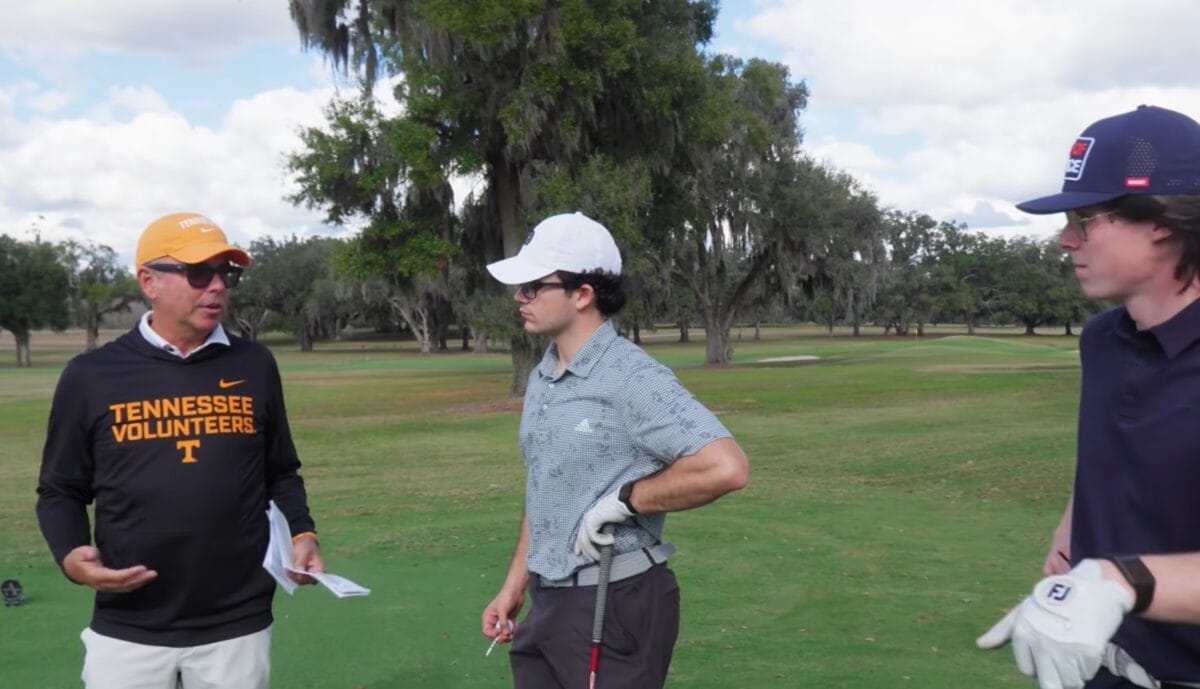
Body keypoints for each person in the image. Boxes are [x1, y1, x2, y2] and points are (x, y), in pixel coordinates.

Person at [35, 212, 324, 689]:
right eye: (198, 274)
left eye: (226, 274)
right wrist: (69, 555)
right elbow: (59, 489)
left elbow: (281, 472)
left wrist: (302, 534)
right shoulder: (91, 376)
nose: (216, 287)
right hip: (131, 623)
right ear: (148, 280)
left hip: (237, 621)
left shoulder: (255, 364)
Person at [977, 105, 1200, 689]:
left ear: (1161, 221)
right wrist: (1071, 533)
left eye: (1085, 219)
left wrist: (1117, 581)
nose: (1064, 239)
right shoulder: (1102, 340)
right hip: (1098, 668)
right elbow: (1112, 452)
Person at [478, 212, 750, 688]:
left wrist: (624, 501)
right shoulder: (544, 374)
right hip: (549, 603)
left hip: (617, 602)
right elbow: (546, 485)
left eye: (533, 286)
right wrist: (514, 584)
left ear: (583, 294)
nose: (520, 298)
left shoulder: (631, 376)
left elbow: (725, 467)